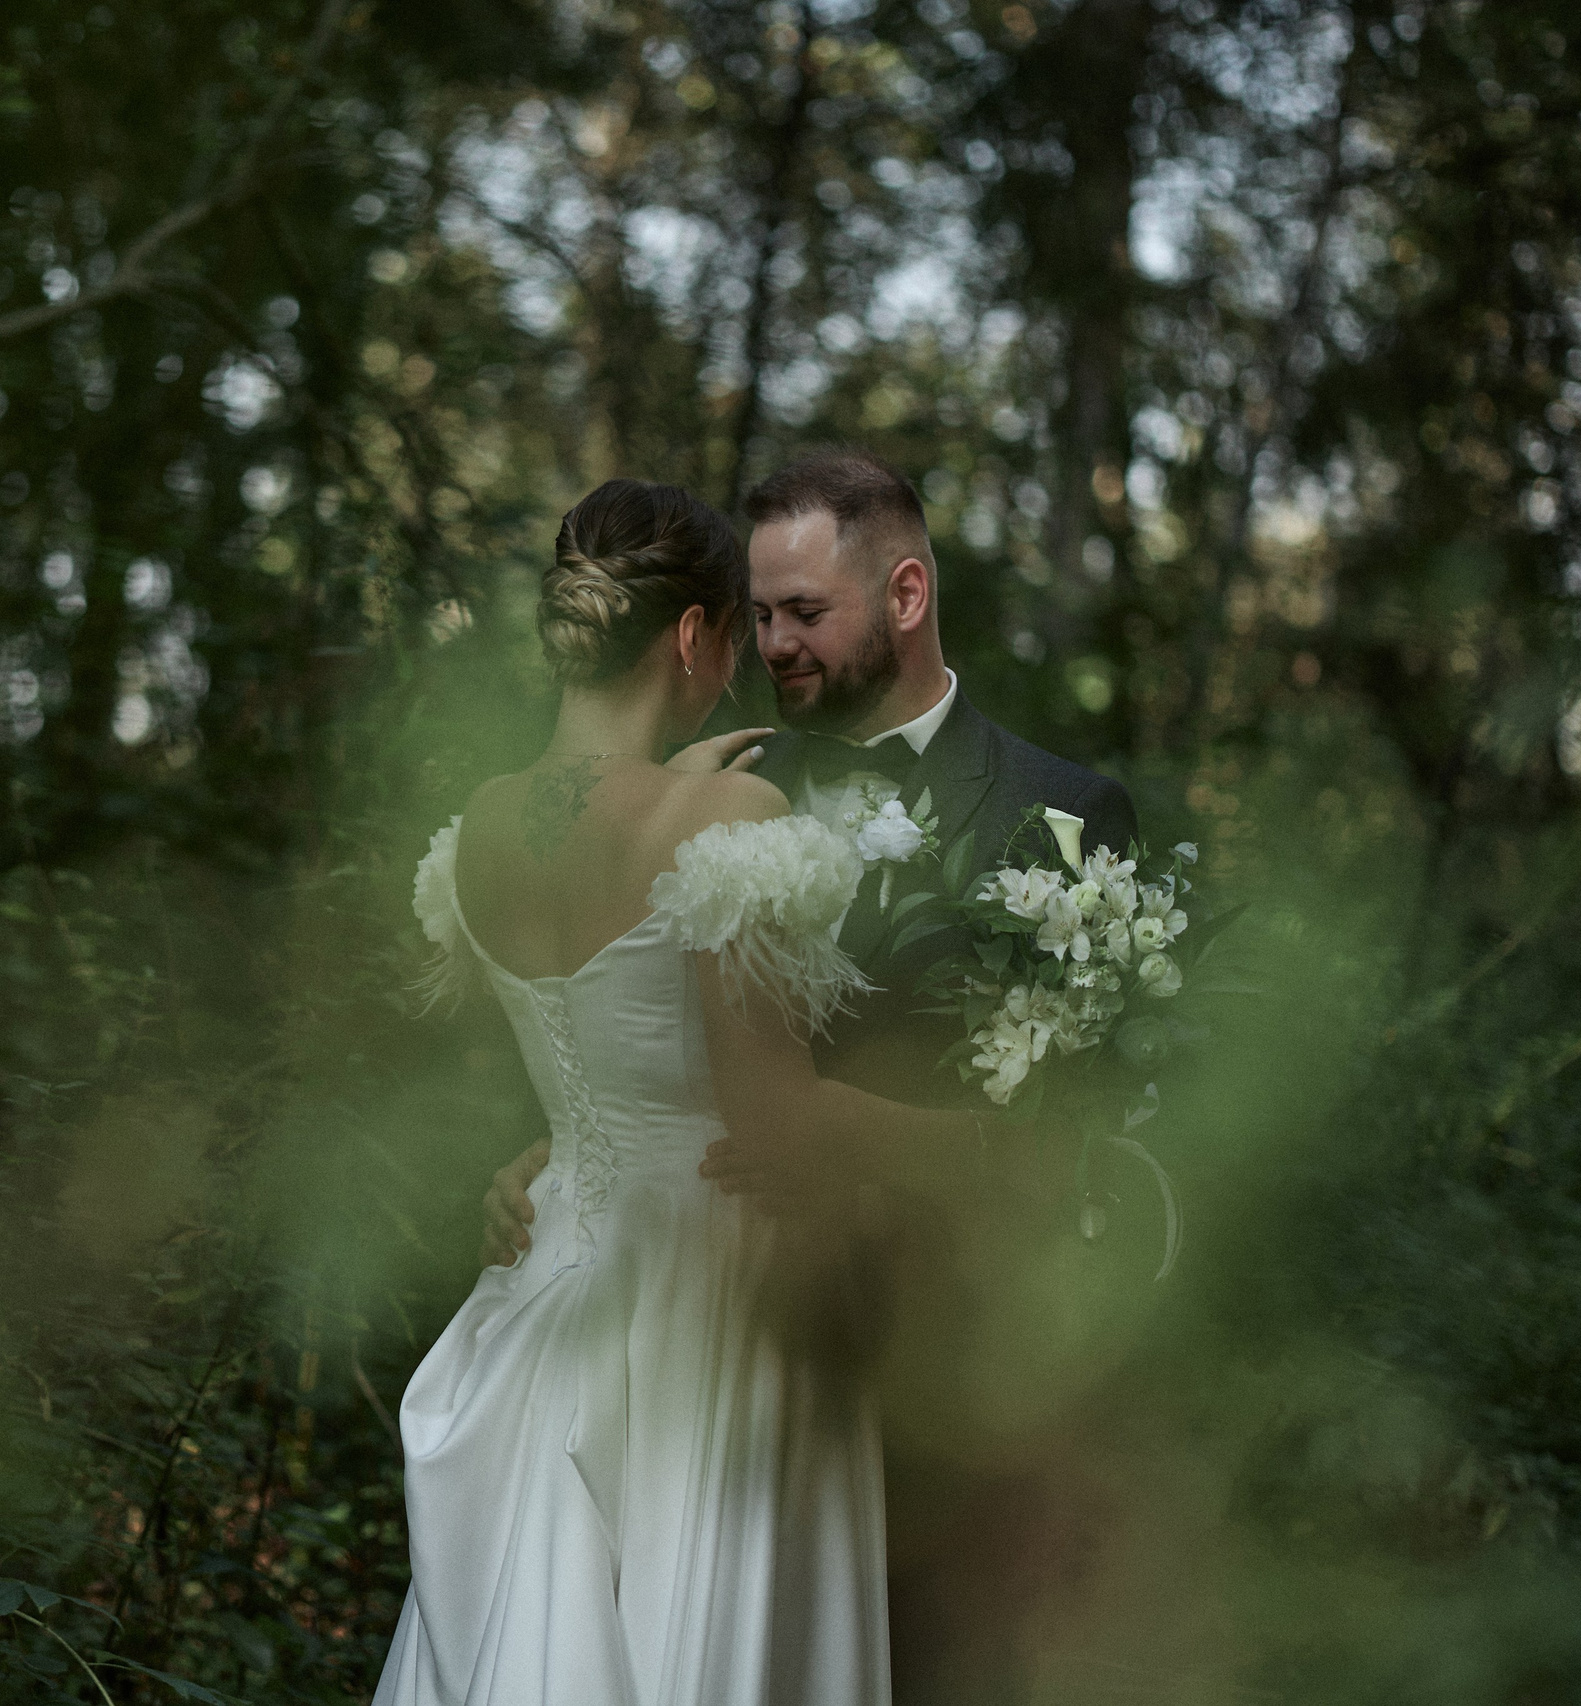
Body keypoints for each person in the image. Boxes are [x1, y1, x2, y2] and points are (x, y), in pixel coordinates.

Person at [477, 446, 1141, 1705]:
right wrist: (552, 1149)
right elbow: (632, 1025)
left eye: (803, 613)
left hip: (943, 1381)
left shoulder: (1060, 814)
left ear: (901, 596)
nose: (774, 643)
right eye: (760, 614)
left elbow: (1079, 1123)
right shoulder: (708, 793)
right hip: (727, 1360)